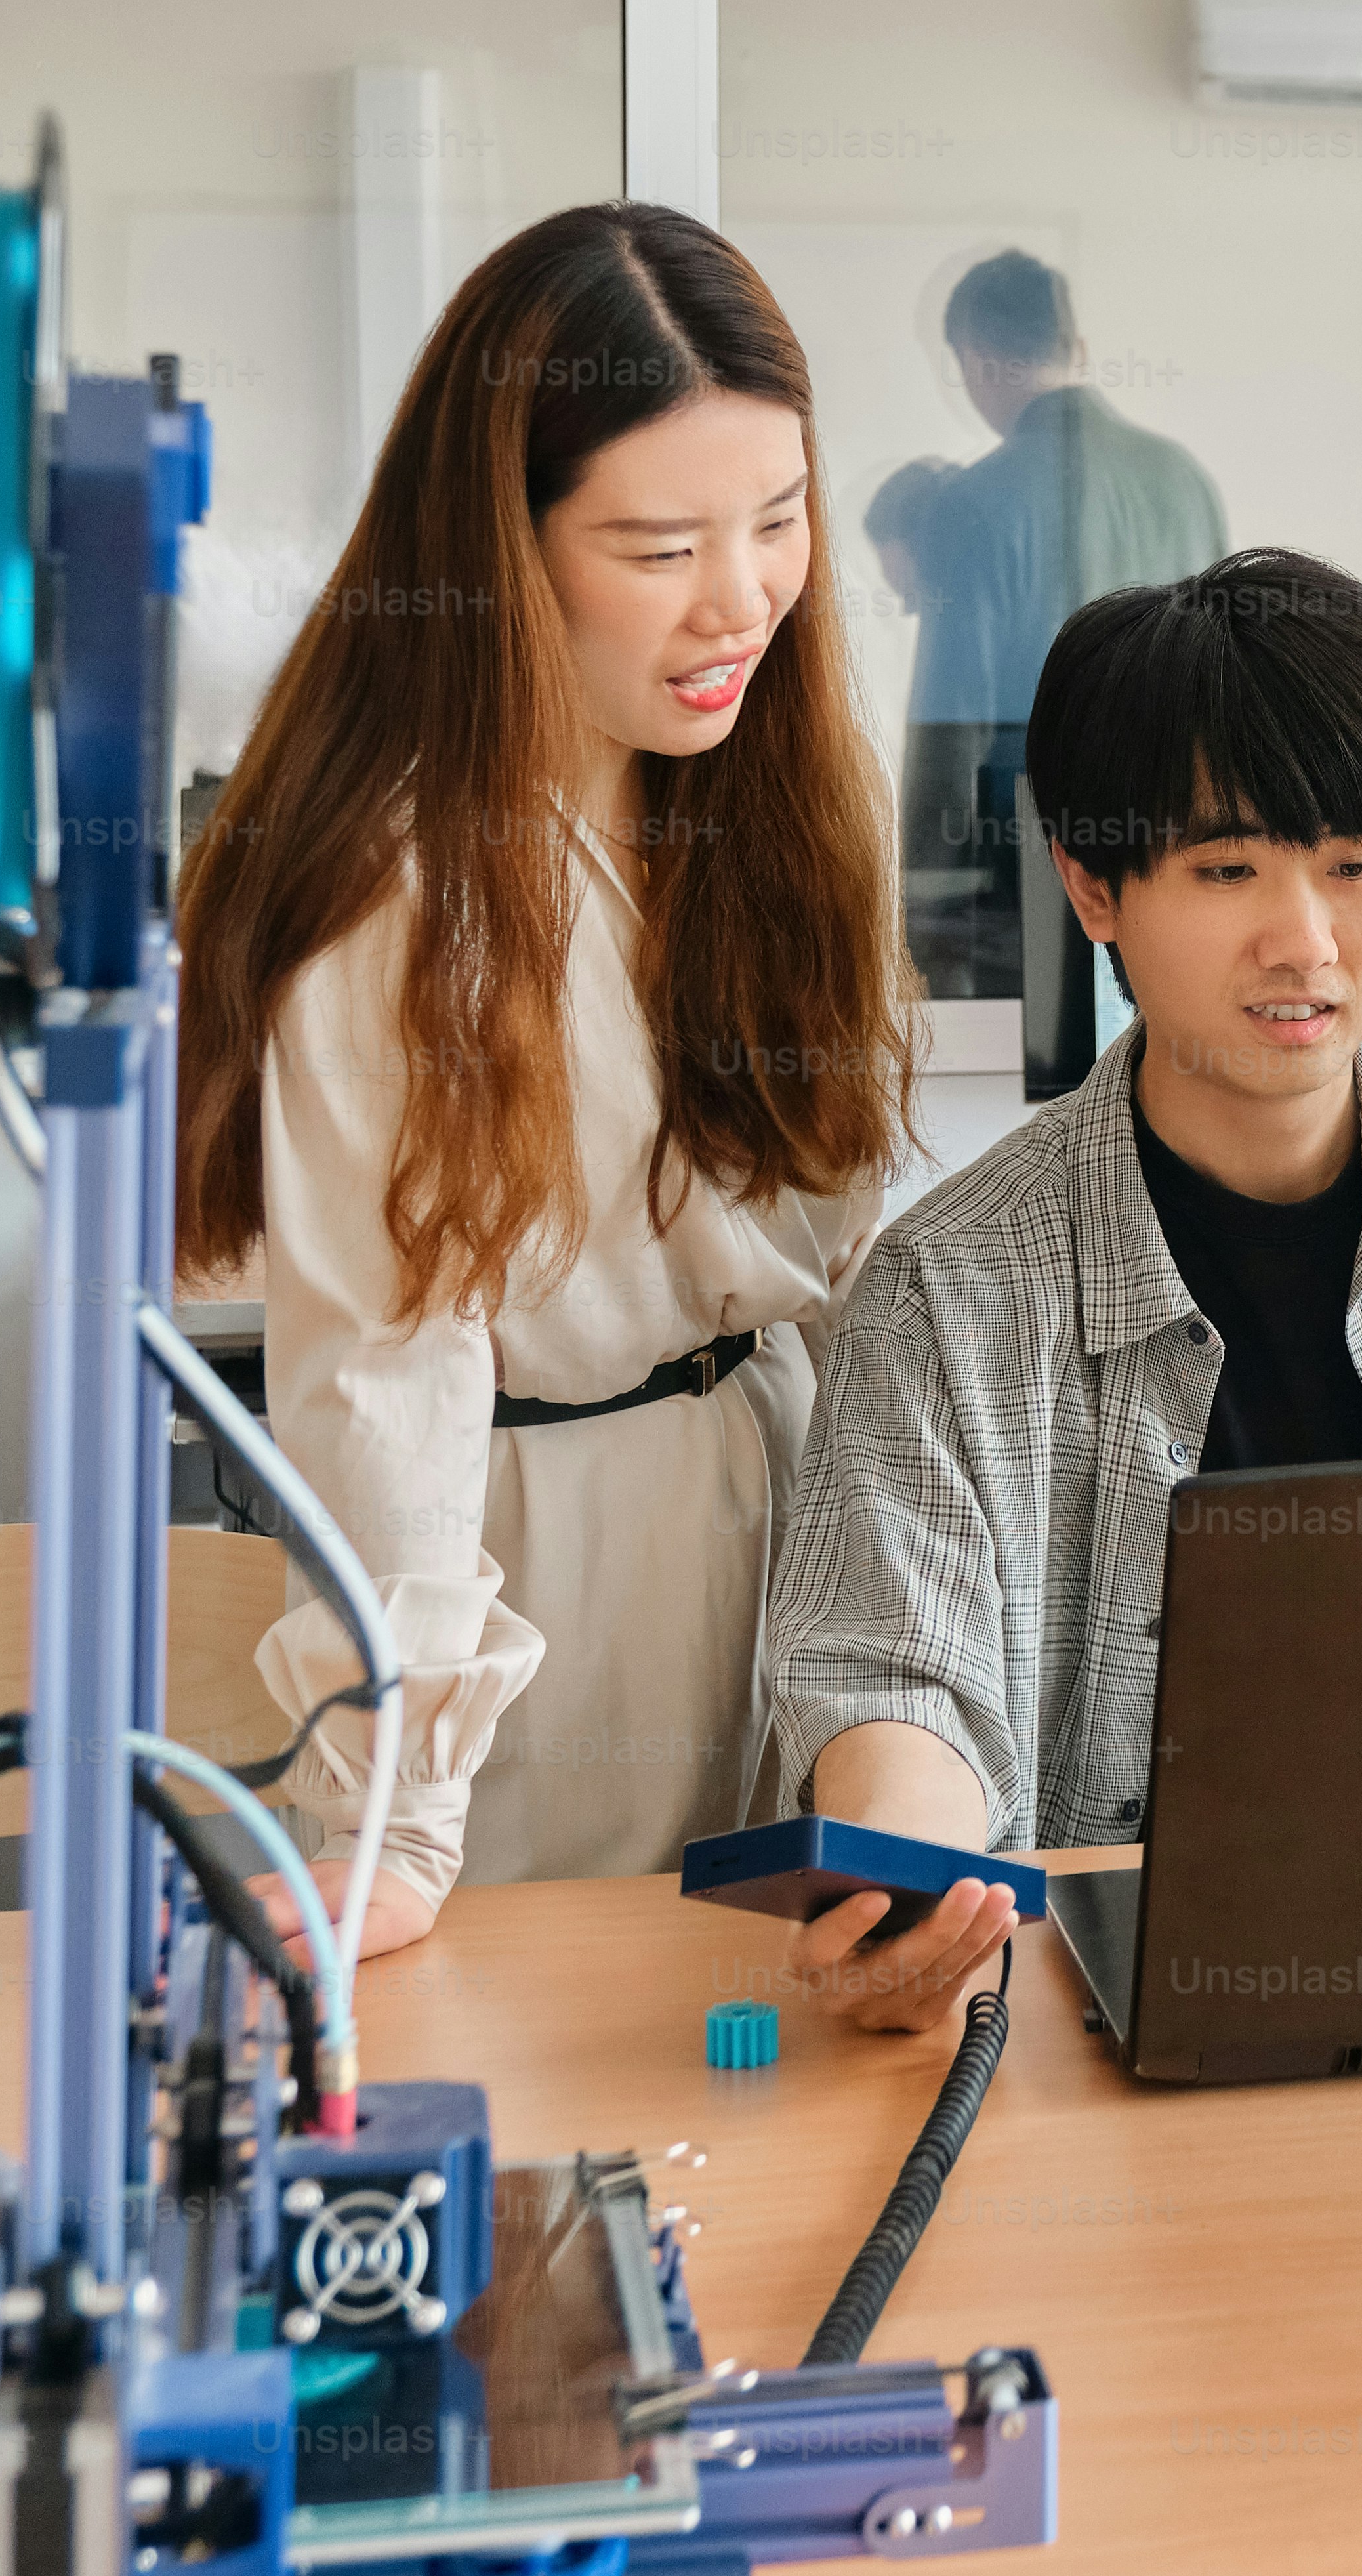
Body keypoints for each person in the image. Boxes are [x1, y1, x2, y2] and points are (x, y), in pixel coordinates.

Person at [760, 546, 1362, 2026]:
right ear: (1095, 886)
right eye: (1226, 868)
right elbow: (894, 1675)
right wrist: (909, 1887)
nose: (1305, 940)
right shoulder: (948, 1282)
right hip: (1144, 1989)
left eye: (1356, 863)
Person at [175, 201, 913, 1960]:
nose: (740, 598)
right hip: (524, 1579)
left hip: (778, 1523)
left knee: (779, 2090)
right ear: (498, 549)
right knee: (565, 2108)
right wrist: (400, 1808)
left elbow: (849, 1250)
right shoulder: (398, 884)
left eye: (781, 519)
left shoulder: (771, 791)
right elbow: (388, 1366)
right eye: (658, 547)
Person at [895, 248, 1228, 996]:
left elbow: (950, 729)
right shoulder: (1183, 479)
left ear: (975, 359)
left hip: (1029, 882)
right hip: (1178, 862)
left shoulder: (974, 502)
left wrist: (923, 916)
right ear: (1074, 347)